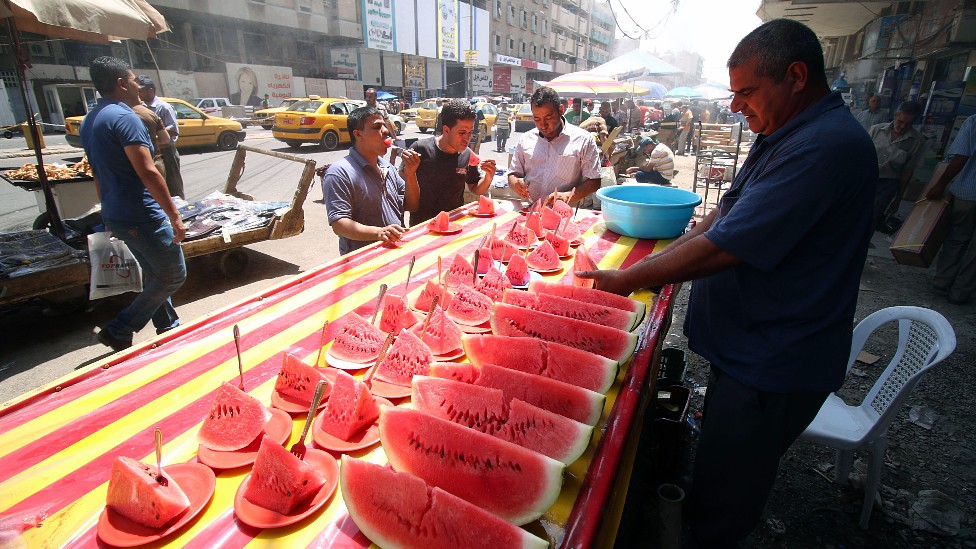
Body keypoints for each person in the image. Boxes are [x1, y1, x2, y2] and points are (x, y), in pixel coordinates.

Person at [577, 19, 877, 545]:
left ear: (796, 76)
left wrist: (626, 280)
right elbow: (725, 216)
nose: (735, 105)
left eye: (746, 92)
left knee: (727, 494)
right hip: (746, 349)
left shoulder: (826, 147)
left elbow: (727, 244)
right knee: (718, 457)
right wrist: (667, 248)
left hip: (773, 359)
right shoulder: (784, 131)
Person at [80, 57, 187, 351]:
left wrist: (106, 211)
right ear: (121, 83)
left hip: (117, 211)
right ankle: (120, 328)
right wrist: (174, 215)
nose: (139, 86)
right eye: (134, 80)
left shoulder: (90, 119)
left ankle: (168, 326)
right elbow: (148, 171)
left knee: (155, 271)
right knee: (173, 273)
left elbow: (97, 172)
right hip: (140, 213)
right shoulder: (126, 117)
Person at [323, 106, 420, 255]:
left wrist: (411, 173)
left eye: (384, 125)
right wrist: (378, 233)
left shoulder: (387, 167)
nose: (386, 131)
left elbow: (412, 205)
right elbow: (339, 224)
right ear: (358, 134)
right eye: (377, 127)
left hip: (395, 252)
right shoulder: (339, 172)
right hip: (363, 260)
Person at [402, 99, 496, 226]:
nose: (467, 138)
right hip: (423, 226)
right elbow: (403, 191)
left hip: (454, 225)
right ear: (446, 130)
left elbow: (475, 188)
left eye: (470, 132)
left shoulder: (467, 154)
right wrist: (409, 172)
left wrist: (488, 177)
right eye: (462, 132)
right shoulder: (420, 149)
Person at [508, 86, 602, 205]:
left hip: (565, 213)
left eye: (548, 118)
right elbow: (513, 174)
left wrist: (567, 195)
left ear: (561, 110)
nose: (543, 125)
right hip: (530, 210)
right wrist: (516, 183)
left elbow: (594, 180)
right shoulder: (525, 139)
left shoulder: (584, 140)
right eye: (536, 119)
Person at [927, 114, 976, 304]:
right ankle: (960, 292)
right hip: (968, 192)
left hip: (968, 191)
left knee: (957, 238)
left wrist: (940, 183)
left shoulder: (973, 122)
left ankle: (942, 281)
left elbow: (961, 157)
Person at [869, 100, 925, 232]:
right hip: (866, 178)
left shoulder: (917, 141)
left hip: (887, 184)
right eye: (900, 121)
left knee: (872, 217)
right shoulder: (876, 130)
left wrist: (898, 199)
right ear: (895, 116)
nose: (903, 126)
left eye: (908, 123)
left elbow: (907, 171)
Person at [136, 75, 184, 198]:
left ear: (151, 90)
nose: (139, 93)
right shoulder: (140, 108)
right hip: (154, 153)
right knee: (159, 187)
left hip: (167, 151)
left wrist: (155, 137)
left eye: (141, 90)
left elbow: (173, 130)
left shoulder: (164, 107)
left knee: (174, 187)